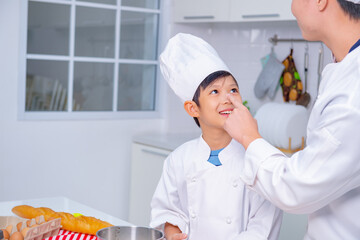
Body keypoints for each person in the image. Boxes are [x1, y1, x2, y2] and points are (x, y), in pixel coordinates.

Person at [223, 0, 360, 239]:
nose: (292, 7)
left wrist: (249, 136)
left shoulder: (353, 94)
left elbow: (298, 186)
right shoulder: (343, 66)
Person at [150, 33, 282, 240]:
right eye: (214, 92)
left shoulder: (257, 159)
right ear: (193, 108)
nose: (227, 98)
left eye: (233, 89)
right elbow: (167, 211)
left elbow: (262, 227)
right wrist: (172, 232)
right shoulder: (178, 159)